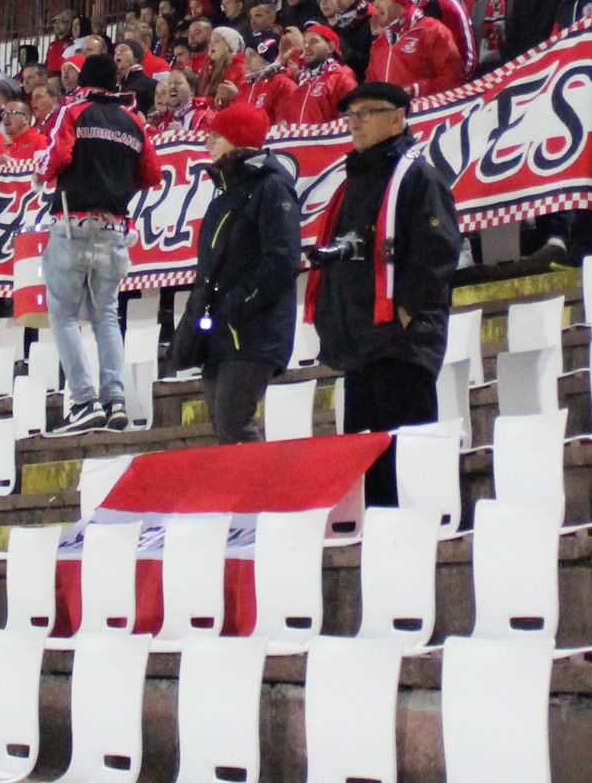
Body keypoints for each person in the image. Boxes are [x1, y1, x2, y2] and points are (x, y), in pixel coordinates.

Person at [311, 81, 457, 505]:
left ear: (397, 118)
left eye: (366, 113)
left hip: (402, 344)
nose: (355, 123)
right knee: (367, 463)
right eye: (350, 115)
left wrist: (408, 310)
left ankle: (418, 532)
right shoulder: (354, 182)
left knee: (406, 460)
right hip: (361, 344)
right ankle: (378, 536)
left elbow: (438, 251)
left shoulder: (418, 176)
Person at [183, 100, 298, 444]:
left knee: (234, 422)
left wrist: (237, 302)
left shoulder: (270, 188)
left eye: (216, 135)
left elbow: (282, 259)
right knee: (224, 425)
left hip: (253, 331)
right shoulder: (225, 194)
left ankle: (262, 481)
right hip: (221, 331)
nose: (208, 142)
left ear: (238, 140)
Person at [43, 54, 146, 431]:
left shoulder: (73, 111)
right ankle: (115, 399)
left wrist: (42, 174)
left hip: (73, 224)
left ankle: (85, 401)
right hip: (115, 228)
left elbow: (55, 158)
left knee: (64, 316)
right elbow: (150, 173)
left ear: (83, 80)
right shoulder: (134, 121)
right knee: (107, 316)